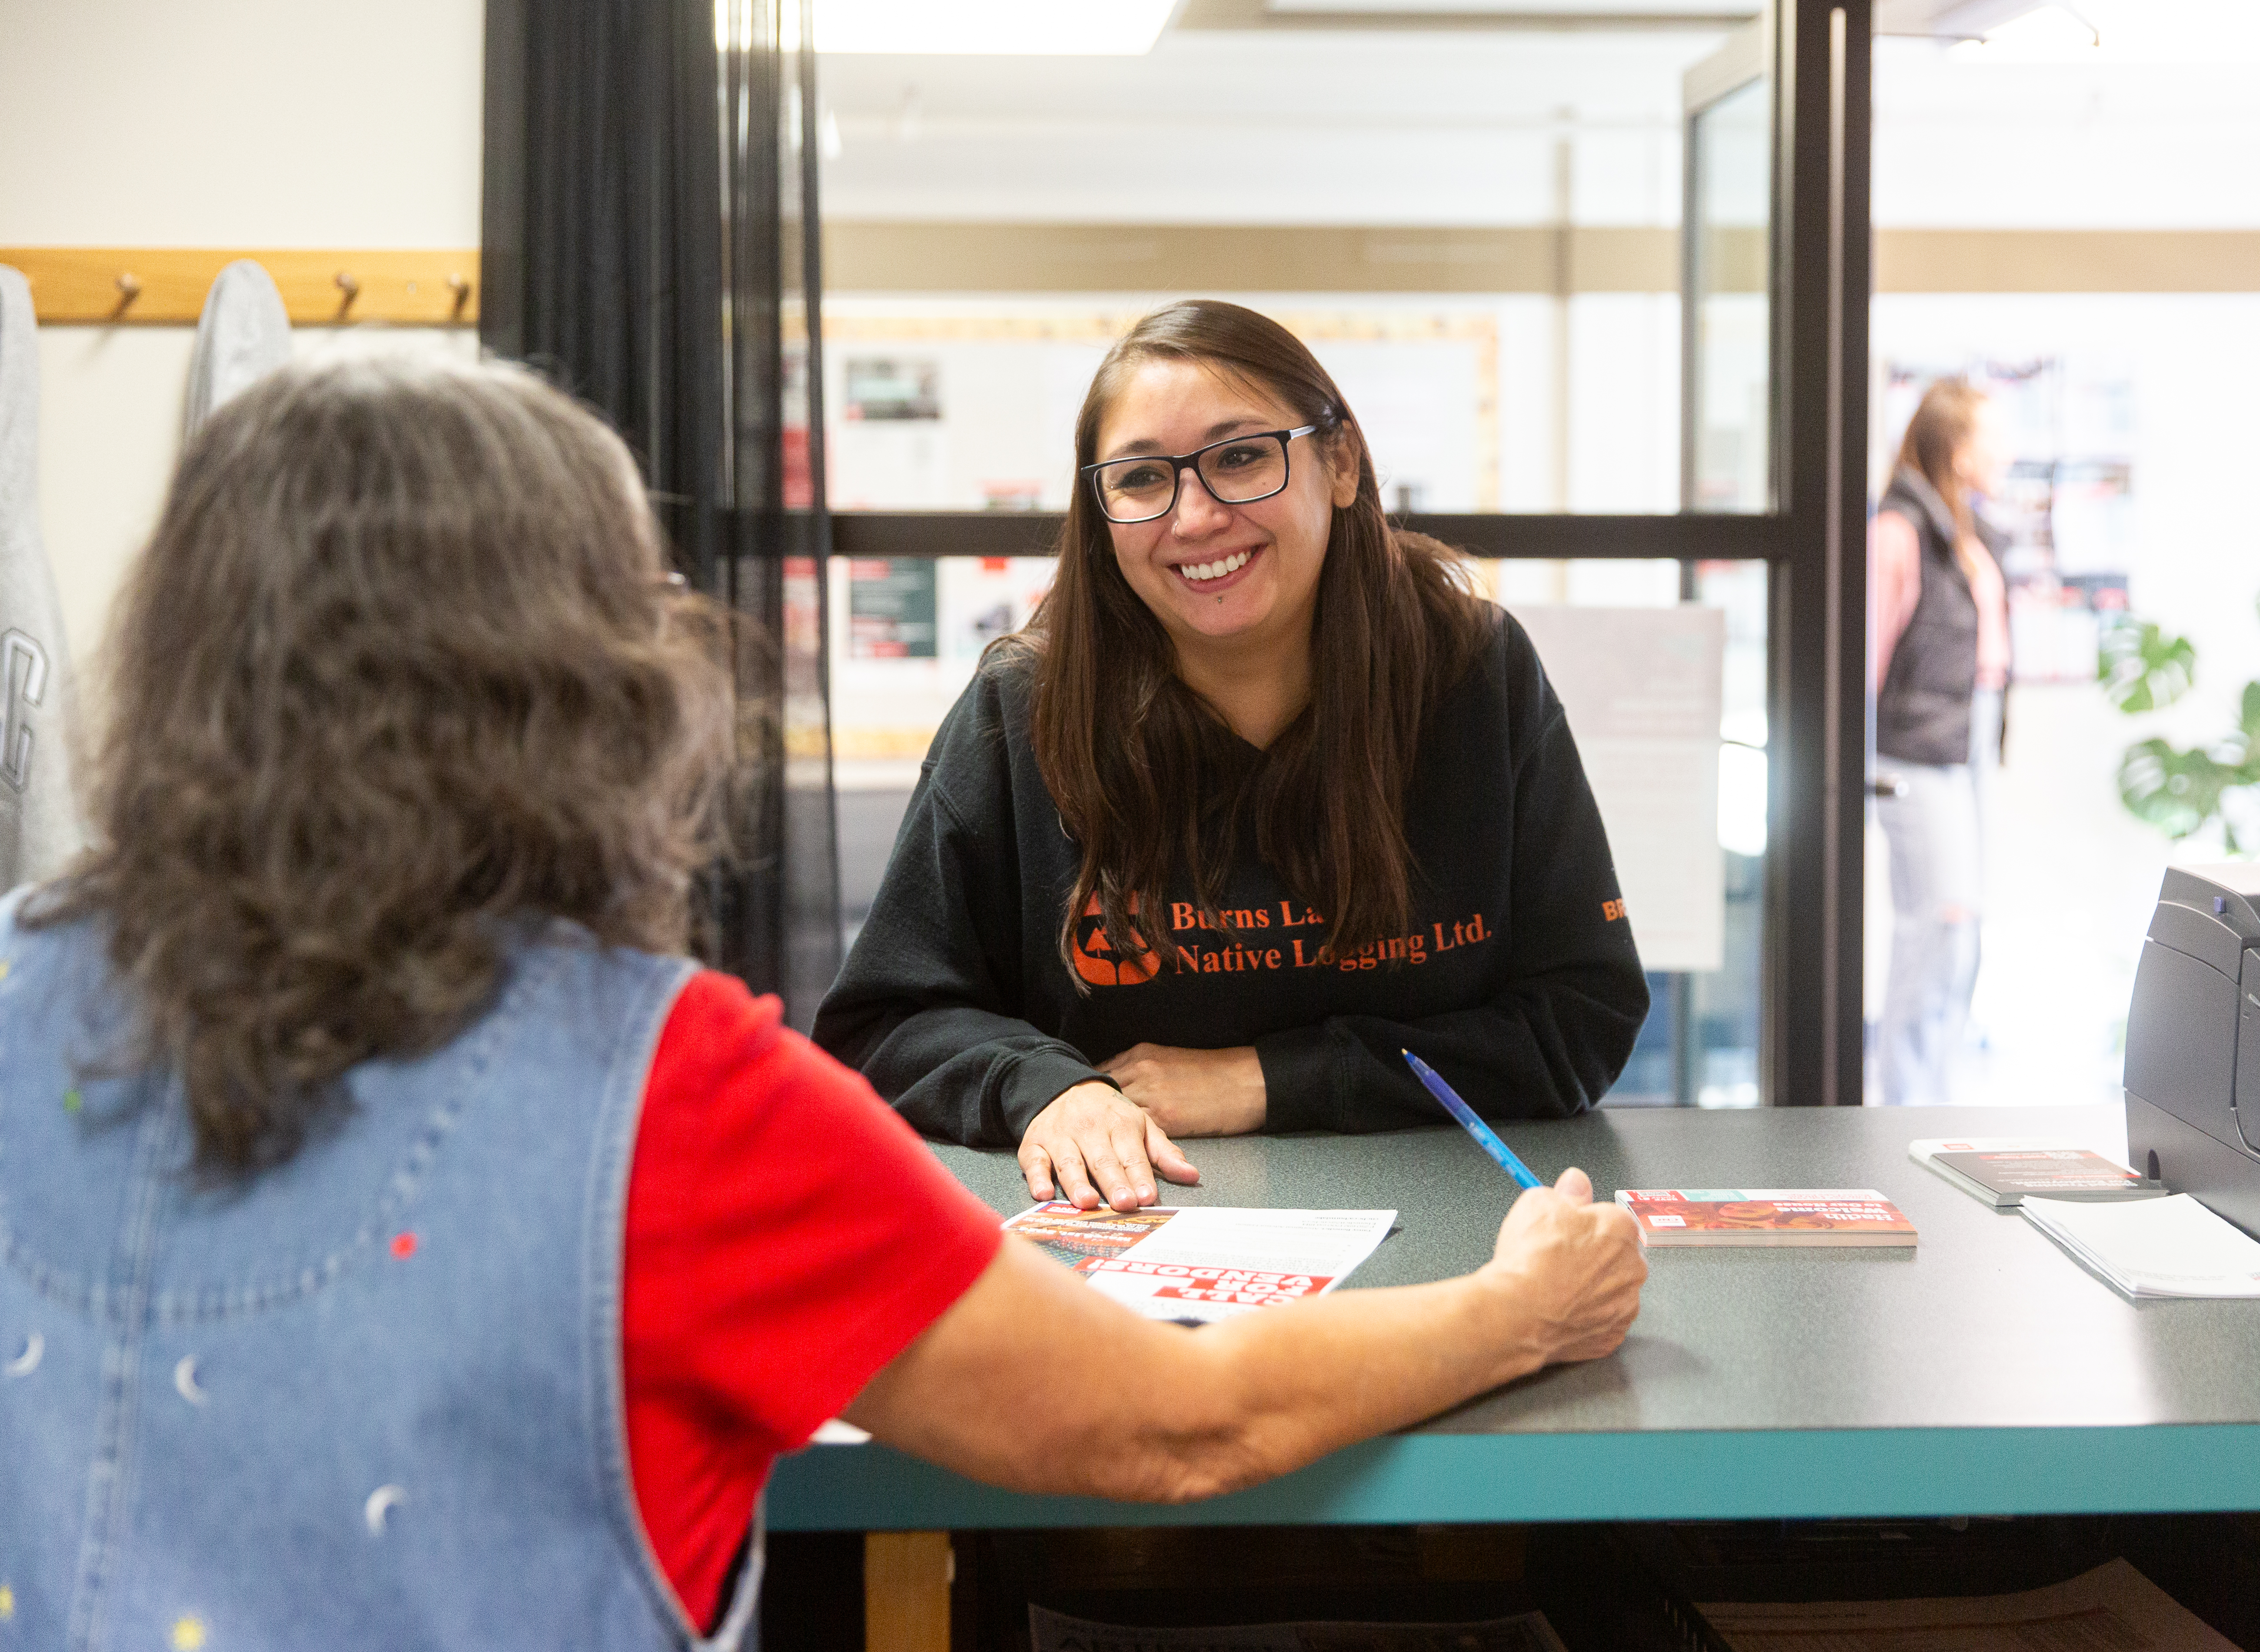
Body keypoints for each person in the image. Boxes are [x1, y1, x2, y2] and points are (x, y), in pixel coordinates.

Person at [0, 358, 1646, 1650]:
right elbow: (1176, 1426)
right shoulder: (665, 1089)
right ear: (590, 678)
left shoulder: (16, 980)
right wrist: (1520, 1308)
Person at [812, 300, 1650, 1213]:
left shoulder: (1471, 673)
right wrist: (1047, 1086)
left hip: (1445, 1226)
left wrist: (1266, 1080)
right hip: (1128, 1235)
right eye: (1139, 479)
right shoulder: (1025, 708)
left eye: (1240, 457)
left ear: (1338, 463)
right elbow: (884, 1022)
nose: (1196, 516)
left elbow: (1582, 1015)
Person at [1869, 378, 2012, 1106]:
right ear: (1956, 451)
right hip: (1911, 754)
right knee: (1937, 932)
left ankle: (1931, 1095)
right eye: (1993, 439)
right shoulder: (1898, 530)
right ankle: (1902, 1106)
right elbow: (1862, 668)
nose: (2007, 453)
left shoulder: (1963, 529)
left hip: (1965, 743)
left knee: (1963, 939)